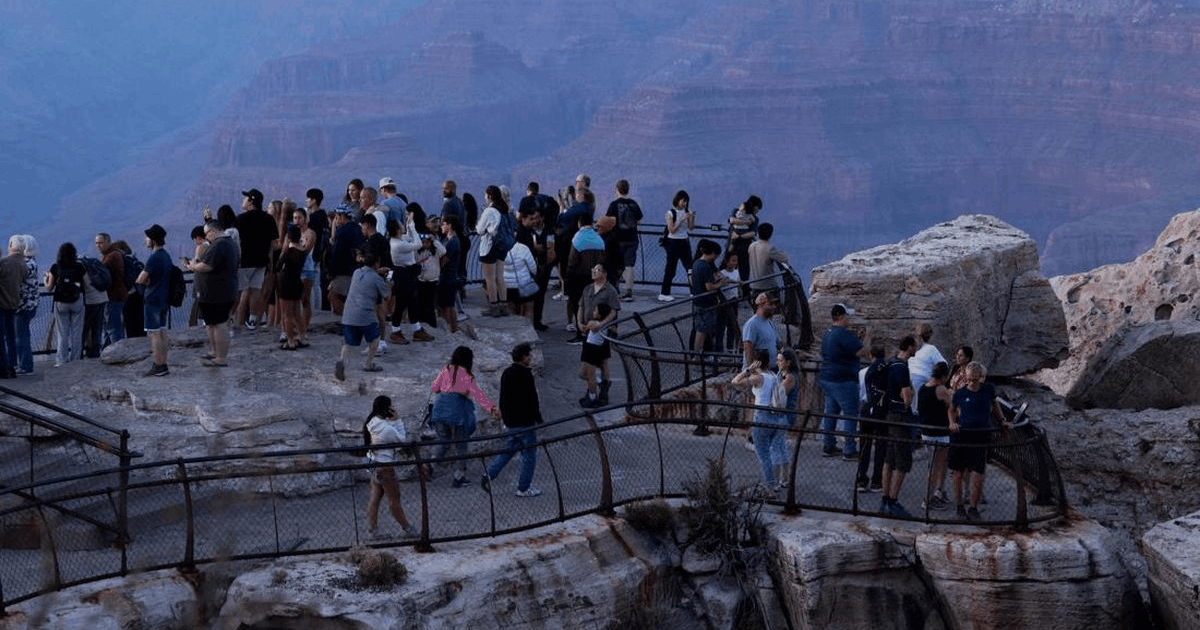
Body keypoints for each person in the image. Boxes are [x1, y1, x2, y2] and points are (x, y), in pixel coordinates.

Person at [948, 361, 1011, 521]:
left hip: (981, 436)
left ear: (981, 378)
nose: (971, 383)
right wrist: (952, 422)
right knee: (957, 473)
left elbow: (995, 405)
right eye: (969, 379)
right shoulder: (960, 393)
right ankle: (959, 506)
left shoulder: (988, 390)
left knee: (977, 473)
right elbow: (951, 409)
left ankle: (973, 508)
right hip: (962, 436)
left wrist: (1002, 420)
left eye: (974, 380)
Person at [430, 345, 499, 488]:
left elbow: (434, 388)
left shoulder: (446, 370)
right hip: (457, 414)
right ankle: (459, 476)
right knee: (461, 446)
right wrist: (492, 408)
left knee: (443, 441)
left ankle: (430, 465)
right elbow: (478, 395)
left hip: (439, 410)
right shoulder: (467, 375)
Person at [482, 343, 544, 497]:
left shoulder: (507, 373)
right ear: (523, 357)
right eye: (529, 355)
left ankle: (489, 474)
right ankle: (523, 488)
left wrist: (505, 417)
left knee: (509, 450)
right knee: (529, 456)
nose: (530, 358)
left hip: (511, 422)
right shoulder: (525, 374)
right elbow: (531, 399)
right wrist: (538, 418)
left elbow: (503, 398)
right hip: (525, 422)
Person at [362, 395, 419, 539]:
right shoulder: (385, 428)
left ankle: (372, 532)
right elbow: (400, 439)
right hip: (386, 467)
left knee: (375, 499)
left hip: (375, 465)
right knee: (394, 500)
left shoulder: (372, 422)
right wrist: (397, 420)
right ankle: (407, 529)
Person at [731, 348, 789, 491]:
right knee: (769, 453)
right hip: (775, 417)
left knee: (763, 455)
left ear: (756, 363)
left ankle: (770, 486)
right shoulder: (773, 376)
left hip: (761, 417)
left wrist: (748, 370)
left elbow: (735, 381)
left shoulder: (758, 378)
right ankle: (773, 483)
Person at [186, 221, 239, 366]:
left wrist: (193, 265)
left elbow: (206, 266)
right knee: (211, 323)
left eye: (207, 233)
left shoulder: (219, 244)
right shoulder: (229, 243)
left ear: (213, 231)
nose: (206, 237)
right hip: (214, 292)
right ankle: (213, 352)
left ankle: (220, 358)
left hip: (218, 293)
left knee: (219, 324)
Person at [334, 250, 390, 381]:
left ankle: (342, 361)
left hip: (349, 314)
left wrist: (376, 271)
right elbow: (386, 295)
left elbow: (367, 278)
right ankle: (368, 364)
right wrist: (387, 281)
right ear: (377, 263)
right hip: (366, 315)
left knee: (348, 343)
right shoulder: (377, 279)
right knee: (374, 339)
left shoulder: (356, 272)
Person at [818, 303, 865, 459]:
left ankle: (829, 444)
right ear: (839, 316)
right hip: (844, 380)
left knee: (830, 413)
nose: (848, 319)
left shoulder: (827, 333)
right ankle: (849, 449)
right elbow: (862, 352)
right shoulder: (843, 334)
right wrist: (868, 339)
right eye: (846, 316)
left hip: (828, 378)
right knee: (850, 414)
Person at [878, 335, 916, 517]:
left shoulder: (891, 363)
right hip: (900, 416)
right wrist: (910, 395)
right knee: (903, 460)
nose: (917, 348)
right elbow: (907, 399)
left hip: (888, 415)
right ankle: (893, 501)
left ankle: (885, 498)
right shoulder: (902, 368)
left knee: (889, 458)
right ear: (909, 347)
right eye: (915, 345)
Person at [234, 189, 278, 331]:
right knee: (256, 290)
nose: (243, 201)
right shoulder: (269, 218)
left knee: (242, 291)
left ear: (251, 202)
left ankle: (238, 321)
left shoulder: (240, 219)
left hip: (244, 261)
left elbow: (236, 239)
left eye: (245, 199)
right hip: (261, 261)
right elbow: (272, 243)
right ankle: (252, 321)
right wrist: (270, 262)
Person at [576, 264, 620, 406]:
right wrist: (579, 323)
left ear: (605, 274)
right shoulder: (588, 288)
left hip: (601, 333)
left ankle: (600, 389)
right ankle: (595, 385)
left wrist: (601, 324)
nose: (594, 272)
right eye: (593, 270)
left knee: (603, 362)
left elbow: (613, 311)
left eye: (598, 270)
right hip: (588, 332)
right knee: (588, 367)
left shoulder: (610, 290)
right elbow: (581, 306)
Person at [137, 225, 172, 376]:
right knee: (162, 331)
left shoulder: (154, 257)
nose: (145, 240)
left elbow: (141, 279)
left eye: (147, 237)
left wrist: (146, 281)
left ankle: (158, 365)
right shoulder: (166, 255)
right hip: (164, 297)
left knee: (154, 333)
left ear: (153, 240)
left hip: (152, 298)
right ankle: (163, 363)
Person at [919, 361, 954, 512]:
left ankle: (937, 492)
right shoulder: (940, 389)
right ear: (944, 376)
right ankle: (928, 499)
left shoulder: (923, 388)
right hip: (938, 433)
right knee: (935, 467)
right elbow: (952, 405)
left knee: (937, 464)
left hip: (926, 431)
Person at [855, 342, 889, 494]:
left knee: (864, 446)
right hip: (881, 412)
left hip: (866, 410)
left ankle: (861, 479)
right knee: (881, 446)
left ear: (870, 356)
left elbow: (862, 393)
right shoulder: (887, 371)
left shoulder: (863, 373)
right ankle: (877, 481)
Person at [45, 242, 86, 366]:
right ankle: (75, 360)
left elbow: (49, 288)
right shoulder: (79, 267)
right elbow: (87, 284)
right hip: (77, 301)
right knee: (77, 332)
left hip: (60, 302)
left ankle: (61, 360)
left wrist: (45, 279)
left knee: (62, 332)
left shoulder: (55, 267)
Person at [604, 179, 643, 300]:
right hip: (632, 239)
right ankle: (628, 291)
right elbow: (639, 220)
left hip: (616, 240)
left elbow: (608, 221)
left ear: (617, 190)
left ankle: (615, 289)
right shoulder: (634, 204)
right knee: (629, 265)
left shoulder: (613, 205)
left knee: (616, 265)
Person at [476, 185, 510, 317]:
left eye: (485, 195)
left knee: (489, 279)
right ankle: (504, 306)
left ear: (489, 196)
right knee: (500, 277)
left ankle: (494, 307)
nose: (484, 197)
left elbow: (479, 230)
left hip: (489, 247)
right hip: (502, 246)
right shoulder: (503, 209)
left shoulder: (489, 211)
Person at [690, 240, 728, 352]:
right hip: (706, 303)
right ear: (712, 253)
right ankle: (697, 356)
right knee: (702, 331)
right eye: (715, 255)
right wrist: (722, 283)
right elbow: (709, 287)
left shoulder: (696, 263)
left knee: (700, 330)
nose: (715, 257)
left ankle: (699, 354)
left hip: (697, 301)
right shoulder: (705, 267)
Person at [658, 189, 695, 302]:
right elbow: (671, 230)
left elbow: (691, 228)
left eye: (686, 202)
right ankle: (664, 292)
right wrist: (680, 219)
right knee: (671, 268)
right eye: (683, 201)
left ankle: (694, 291)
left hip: (684, 240)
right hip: (673, 242)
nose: (685, 204)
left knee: (690, 268)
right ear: (678, 200)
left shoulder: (687, 210)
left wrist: (692, 217)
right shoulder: (670, 213)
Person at [275, 225, 306, 350]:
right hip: (297, 282)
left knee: (286, 314)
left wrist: (284, 249)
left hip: (286, 283)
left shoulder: (288, 252)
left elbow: (278, 266)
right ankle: (302, 336)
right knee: (296, 312)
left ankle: (290, 340)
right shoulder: (302, 250)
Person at [291, 207, 317, 345]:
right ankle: (297, 327)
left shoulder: (310, 233)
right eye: (294, 218)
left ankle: (304, 328)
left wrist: (294, 247)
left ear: (305, 218)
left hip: (307, 269)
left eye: (299, 217)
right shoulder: (292, 233)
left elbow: (306, 250)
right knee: (294, 301)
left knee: (304, 300)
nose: (297, 220)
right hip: (295, 270)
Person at [95, 232, 127, 347]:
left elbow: (101, 272)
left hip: (113, 296)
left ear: (108, 242)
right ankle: (107, 352)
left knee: (113, 327)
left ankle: (119, 351)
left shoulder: (112, 256)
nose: (98, 246)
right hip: (115, 296)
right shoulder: (112, 254)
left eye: (101, 243)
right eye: (96, 243)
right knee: (110, 326)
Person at [908, 323, 947, 414]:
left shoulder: (929, 349)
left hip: (917, 382)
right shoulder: (928, 349)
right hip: (916, 383)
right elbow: (943, 364)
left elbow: (943, 365)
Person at [13, 236, 38, 375]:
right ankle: (23, 364)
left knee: (21, 337)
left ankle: (26, 366)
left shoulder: (26, 264)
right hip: (28, 305)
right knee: (23, 336)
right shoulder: (31, 262)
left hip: (22, 307)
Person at [0, 237, 24, 379]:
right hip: (13, 303)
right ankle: (13, 365)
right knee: (10, 336)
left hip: (2, 305)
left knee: (1, 337)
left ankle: (4, 366)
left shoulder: (3, 265)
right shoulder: (16, 264)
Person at [727, 195, 762, 288]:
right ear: (754, 206)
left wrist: (738, 236)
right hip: (737, 246)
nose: (758, 211)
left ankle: (743, 291)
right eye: (757, 208)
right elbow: (731, 220)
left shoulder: (754, 218)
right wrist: (746, 222)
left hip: (742, 247)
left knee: (744, 272)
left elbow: (752, 233)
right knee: (727, 268)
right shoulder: (738, 212)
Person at [747, 222, 789, 298]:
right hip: (767, 286)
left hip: (754, 284)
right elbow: (784, 258)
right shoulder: (769, 248)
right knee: (774, 306)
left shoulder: (752, 245)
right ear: (771, 234)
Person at [437, 214, 463, 334]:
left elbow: (444, 261)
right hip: (450, 277)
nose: (441, 226)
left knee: (446, 306)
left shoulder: (452, 242)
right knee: (449, 305)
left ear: (450, 225)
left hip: (447, 278)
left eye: (444, 224)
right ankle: (453, 329)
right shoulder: (451, 240)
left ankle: (450, 329)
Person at [741, 292, 778, 369]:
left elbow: (778, 344)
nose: (774, 307)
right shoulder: (752, 324)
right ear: (761, 305)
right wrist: (753, 371)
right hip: (758, 373)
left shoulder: (770, 323)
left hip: (769, 371)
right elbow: (748, 350)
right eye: (770, 304)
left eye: (774, 304)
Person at [714, 252, 742, 352]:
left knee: (732, 325)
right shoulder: (722, 273)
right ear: (727, 262)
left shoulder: (736, 272)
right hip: (724, 302)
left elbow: (738, 287)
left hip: (734, 300)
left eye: (736, 261)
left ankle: (730, 348)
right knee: (721, 326)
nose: (735, 263)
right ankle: (719, 349)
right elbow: (726, 280)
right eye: (733, 260)